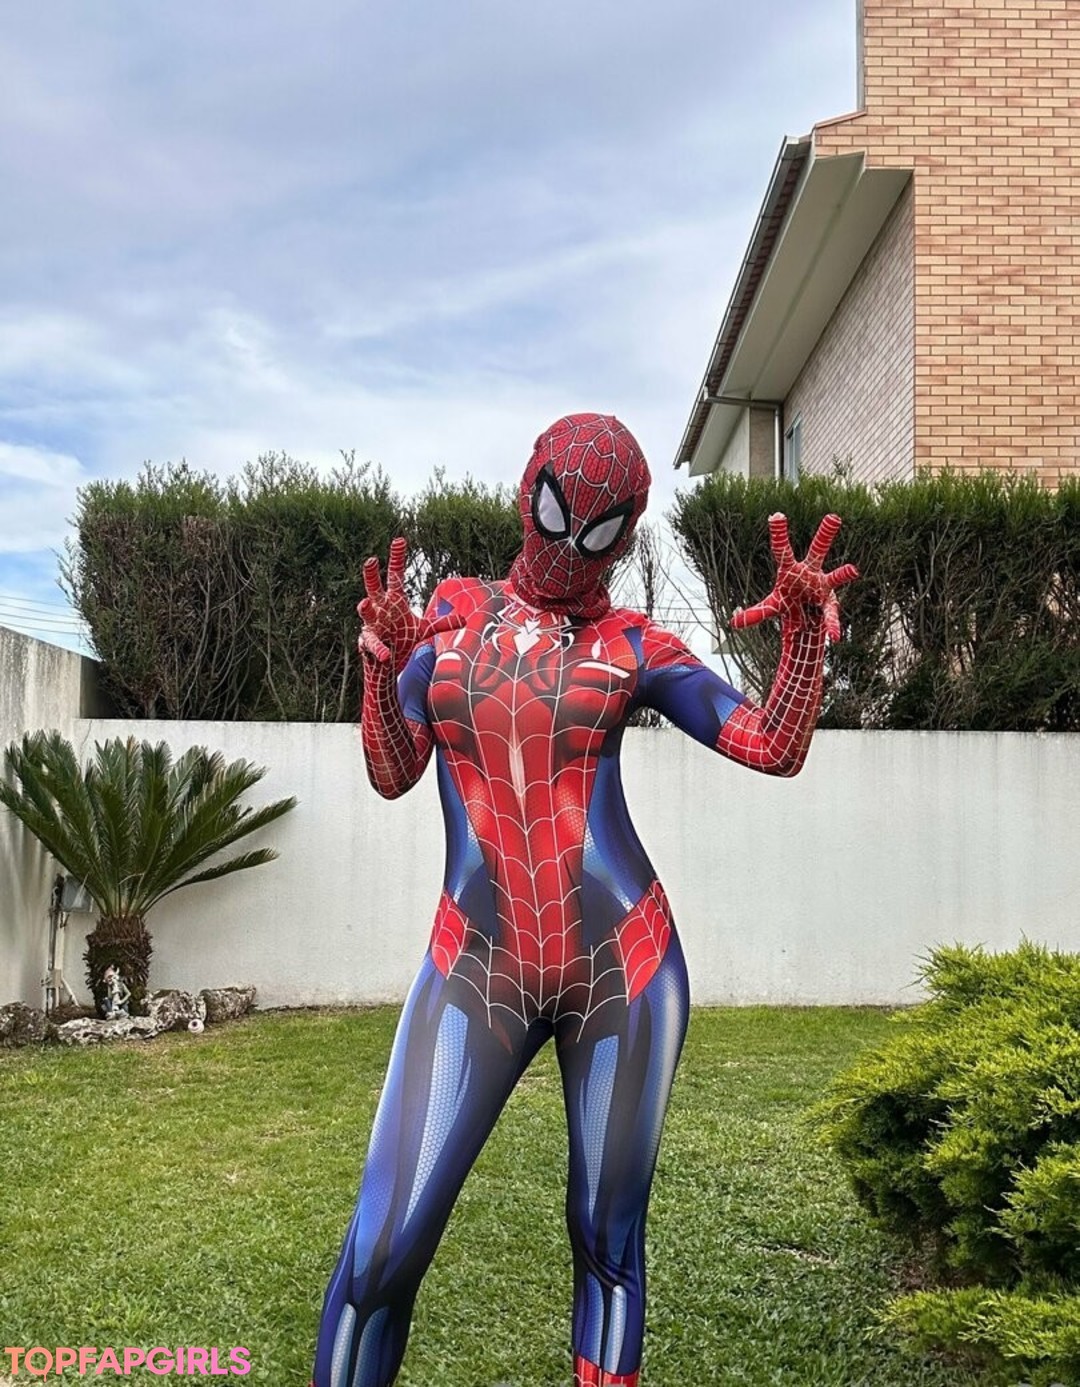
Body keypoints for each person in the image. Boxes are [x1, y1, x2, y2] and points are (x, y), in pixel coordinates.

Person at [312, 412, 857, 1387]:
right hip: (477, 961)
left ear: (628, 533)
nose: (570, 546)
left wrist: (805, 643)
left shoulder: (634, 643)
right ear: (528, 488)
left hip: (623, 968)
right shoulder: (449, 613)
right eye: (559, 511)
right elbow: (393, 771)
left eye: (600, 528)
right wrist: (380, 670)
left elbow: (771, 744)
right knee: (383, 1249)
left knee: (607, 1244)